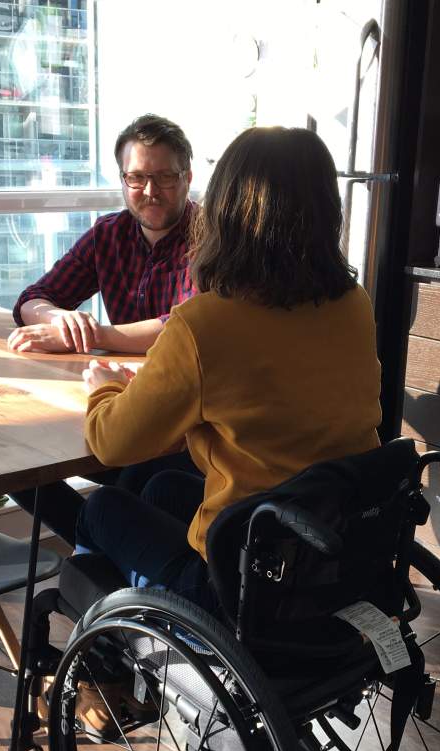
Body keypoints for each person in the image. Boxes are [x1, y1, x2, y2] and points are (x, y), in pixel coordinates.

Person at [73, 125, 383, 615]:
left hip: (242, 583)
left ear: (226, 211)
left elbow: (112, 444)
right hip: (329, 544)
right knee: (161, 488)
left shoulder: (205, 324)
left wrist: (106, 389)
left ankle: (106, 660)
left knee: (101, 509)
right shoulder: (353, 304)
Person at [5, 113, 200, 542]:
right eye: (136, 177)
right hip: (117, 401)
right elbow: (31, 299)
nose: (150, 191)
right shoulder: (108, 234)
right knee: (15, 466)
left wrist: (94, 335)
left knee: (140, 483)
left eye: (164, 177)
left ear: (187, 177)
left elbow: (185, 326)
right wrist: (61, 319)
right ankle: (99, 547)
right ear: (123, 179)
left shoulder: (210, 240)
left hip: (180, 422)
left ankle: (101, 551)